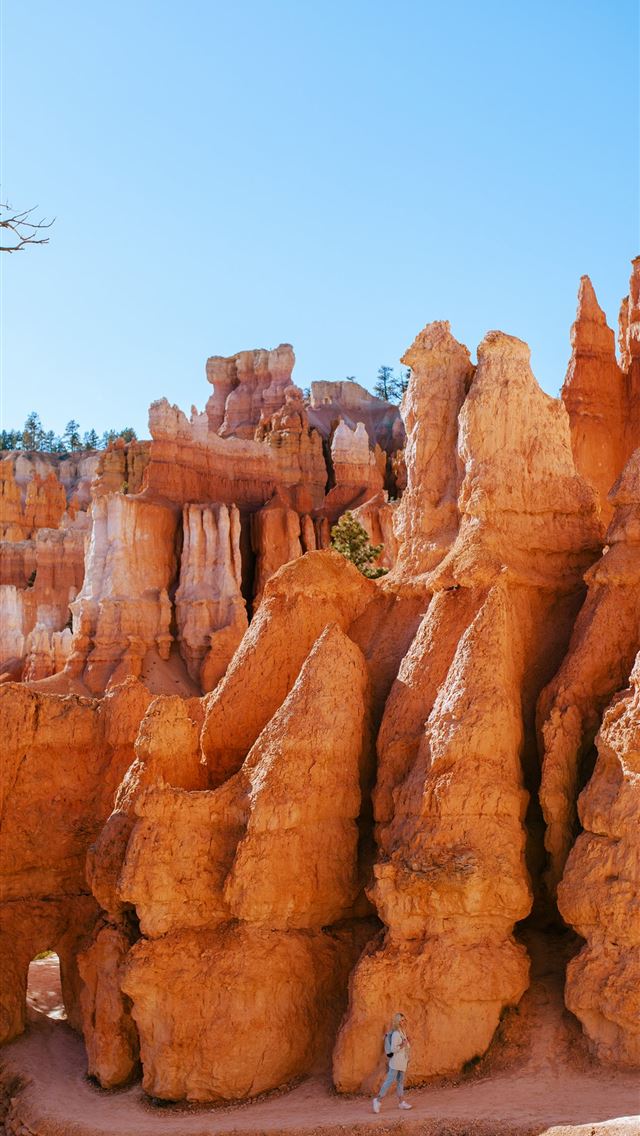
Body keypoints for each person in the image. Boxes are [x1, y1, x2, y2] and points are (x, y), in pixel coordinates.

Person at [372, 1011, 412, 1112]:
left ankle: (401, 1102)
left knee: (400, 1082)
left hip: (402, 1062)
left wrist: (407, 1042)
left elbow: (404, 1045)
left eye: (404, 1020)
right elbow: (394, 1049)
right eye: (401, 1020)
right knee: (389, 1081)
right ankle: (377, 1100)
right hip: (396, 1062)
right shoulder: (395, 1034)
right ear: (397, 1022)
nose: (403, 1022)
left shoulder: (402, 1032)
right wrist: (404, 1044)